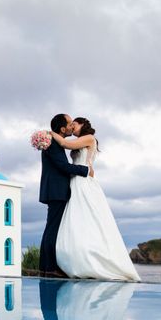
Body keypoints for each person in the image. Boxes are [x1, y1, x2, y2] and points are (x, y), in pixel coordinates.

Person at [50, 118, 140, 281]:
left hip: (84, 181)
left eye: (74, 124)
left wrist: (49, 133)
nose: (72, 127)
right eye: (70, 124)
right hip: (75, 181)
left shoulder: (89, 138)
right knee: (76, 220)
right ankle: (75, 260)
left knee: (90, 217)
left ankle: (95, 261)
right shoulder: (78, 140)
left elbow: (64, 143)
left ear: (82, 125)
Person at [38, 114, 93, 278]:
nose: (71, 126)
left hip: (56, 190)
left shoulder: (55, 142)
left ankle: (45, 267)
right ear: (62, 129)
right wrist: (85, 171)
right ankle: (50, 268)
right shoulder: (54, 143)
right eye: (69, 124)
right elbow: (62, 166)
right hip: (56, 191)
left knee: (51, 228)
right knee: (52, 230)